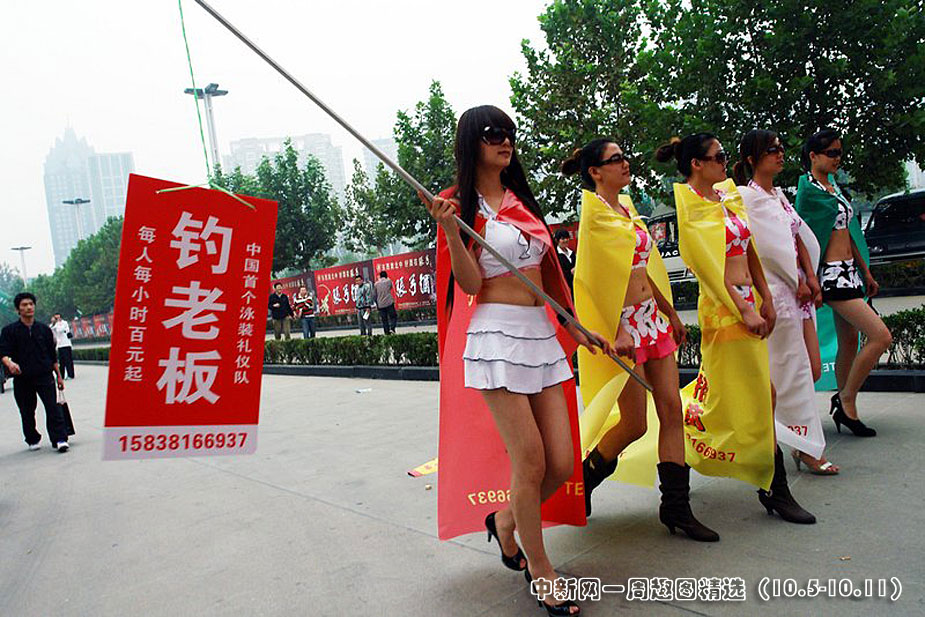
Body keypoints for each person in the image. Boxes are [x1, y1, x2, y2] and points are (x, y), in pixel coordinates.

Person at [430, 105, 609, 615]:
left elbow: (550, 277)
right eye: (493, 134)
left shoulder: (520, 202)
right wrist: (451, 231)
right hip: (495, 337)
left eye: (509, 133)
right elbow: (469, 284)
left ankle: (506, 521)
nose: (504, 141)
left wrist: (577, 328)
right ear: (472, 142)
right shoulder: (455, 205)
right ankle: (542, 570)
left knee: (561, 461)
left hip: (541, 336)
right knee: (530, 460)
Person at [563, 139, 718, 542]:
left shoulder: (628, 210)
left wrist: (670, 313)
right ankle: (586, 477)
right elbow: (593, 280)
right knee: (634, 424)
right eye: (615, 160)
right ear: (596, 172)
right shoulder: (594, 215)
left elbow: (642, 269)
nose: (625, 163)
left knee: (671, 410)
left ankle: (676, 507)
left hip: (652, 322)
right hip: (625, 329)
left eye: (624, 157)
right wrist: (617, 330)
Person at [656, 133, 815, 524]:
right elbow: (711, 272)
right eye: (718, 157)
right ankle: (771, 487)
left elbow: (750, 250)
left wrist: (765, 297)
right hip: (724, 313)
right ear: (696, 164)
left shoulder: (727, 196)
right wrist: (744, 310)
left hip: (749, 304)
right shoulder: (690, 207)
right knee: (759, 395)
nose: (725, 162)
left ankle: (761, 481)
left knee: (753, 396)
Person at [734, 129, 837, 475]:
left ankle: (789, 437)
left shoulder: (778, 195)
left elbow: (798, 237)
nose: (780, 154)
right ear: (753, 159)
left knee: (810, 368)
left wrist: (811, 278)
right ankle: (805, 447)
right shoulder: (746, 199)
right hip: (777, 292)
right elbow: (763, 250)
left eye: (780, 148)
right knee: (794, 370)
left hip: (799, 291)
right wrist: (797, 281)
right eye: (771, 150)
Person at [795, 128, 891, 437]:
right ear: (813, 156)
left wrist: (865, 272)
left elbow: (846, 232)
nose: (838, 158)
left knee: (849, 341)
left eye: (839, 152)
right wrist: (810, 279)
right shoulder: (808, 191)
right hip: (832, 275)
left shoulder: (833, 187)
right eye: (832, 153)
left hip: (850, 272)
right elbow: (803, 238)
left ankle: (849, 410)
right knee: (881, 337)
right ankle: (845, 398)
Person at [0, 292, 69, 452]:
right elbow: (3, 352)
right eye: (24, 305)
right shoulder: (9, 331)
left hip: (44, 375)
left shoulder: (44, 330)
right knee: (27, 411)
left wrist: (59, 376)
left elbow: (52, 356)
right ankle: (32, 438)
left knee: (53, 408)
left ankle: (59, 438)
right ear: (18, 309)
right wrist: (9, 363)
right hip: (22, 377)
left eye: (31, 304)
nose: (29, 307)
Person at [51, 312, 75, 380]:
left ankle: (71, 375)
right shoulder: (53, 324)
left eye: (58, 317)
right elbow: (51, 329)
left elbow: (60, 330)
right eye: (56, 318)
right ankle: (62, 376)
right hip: (59, 345)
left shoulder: (64, 323)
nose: (58, 319)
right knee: (61, 362)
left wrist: (57, 324)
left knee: (68, 361)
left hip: (66, 344)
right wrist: (54, 323)